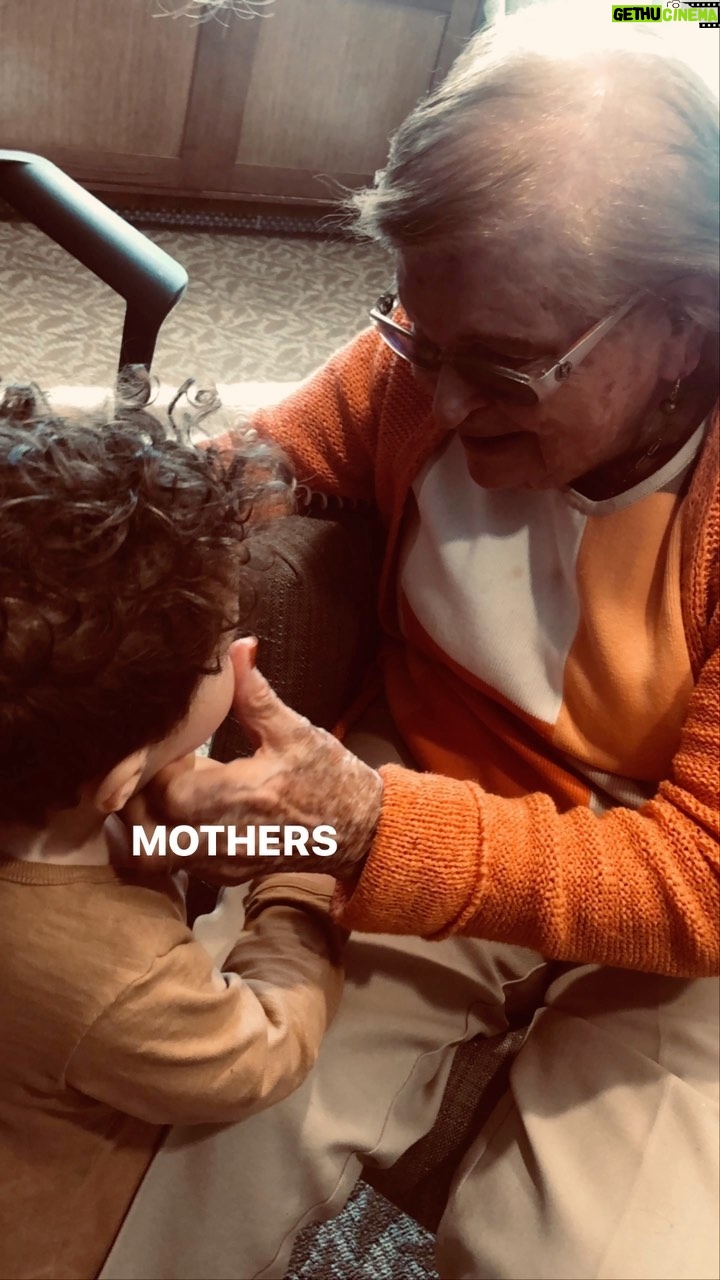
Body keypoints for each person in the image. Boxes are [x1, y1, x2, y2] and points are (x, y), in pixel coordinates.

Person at [103, 6, 719, 1279]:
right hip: (418, 786)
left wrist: (368, 821)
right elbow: (241, 471)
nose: (439, 400)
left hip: (673, 904)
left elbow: (695, 879)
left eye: (504, 369)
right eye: (416, 338)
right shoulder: (426, 369)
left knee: (596, 1261)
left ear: (687, 319)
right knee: (187, 1120)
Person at [0, 382, 345, 1280]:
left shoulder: (55, 791)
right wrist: (299, 877)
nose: (244, 652)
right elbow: (260, 1050)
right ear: (118, 774)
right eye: (220, 648)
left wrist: (167, 833)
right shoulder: (115, 976)